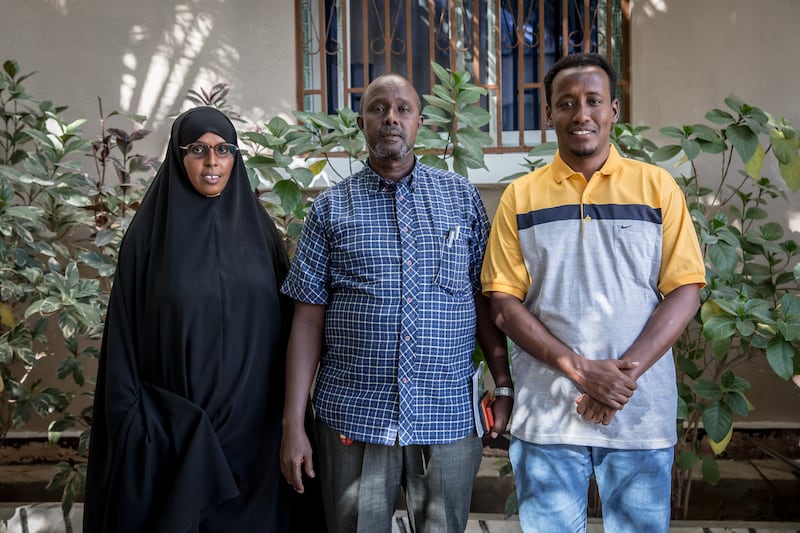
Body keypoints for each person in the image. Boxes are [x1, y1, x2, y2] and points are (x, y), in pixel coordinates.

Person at [481, 53, 707, 532]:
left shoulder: (657, 187)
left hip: (639, 415)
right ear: (549, 115)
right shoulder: (520, 197)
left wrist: (618, 380)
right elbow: (503, 305)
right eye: (566, 103)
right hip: (548, 418)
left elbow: (685, 289)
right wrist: (583, 372)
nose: (581, 114)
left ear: (614, 110)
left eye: (593, 101)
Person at [279, 73, 513, 533]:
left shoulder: (461, 199)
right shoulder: (330, 209)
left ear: (419, 122)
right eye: (378, 109)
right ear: (362, 122)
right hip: (353, 415)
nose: (391, 118)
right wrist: (293, 424)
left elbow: (485, 301)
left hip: (445, 412)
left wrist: (502, 384)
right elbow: (307, 319)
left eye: (403, 109)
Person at [83, 106, 306, 532]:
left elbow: (289, 328)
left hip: (255, 436)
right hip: (179, 439)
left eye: (224, 150)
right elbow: (123, 343)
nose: (212, 162)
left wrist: (291, 421)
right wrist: (135, 423)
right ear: (177, 155)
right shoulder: (148, 239)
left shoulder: (260, 234)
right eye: (198, 150)